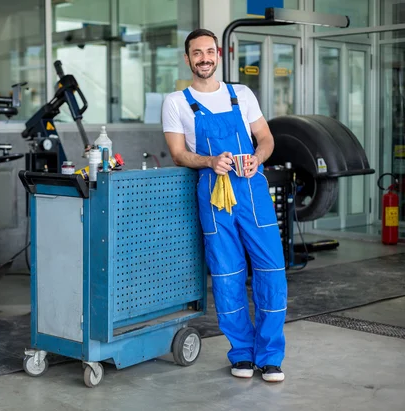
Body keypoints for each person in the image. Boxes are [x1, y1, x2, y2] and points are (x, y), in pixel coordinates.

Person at [162, 28, 287, 383]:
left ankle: (271, 356)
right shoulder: (176, 102)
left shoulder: (241, 94)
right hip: (214, 195)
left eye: (209, 51)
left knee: (271, 271)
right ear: (187, 59)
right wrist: (209, 161)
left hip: (252, 191)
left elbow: (265, 138)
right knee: (227, 275)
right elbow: (177, 153)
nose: (204, 58)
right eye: (196, 53)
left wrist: (257, 158)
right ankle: (242, 354)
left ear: (218, 54)